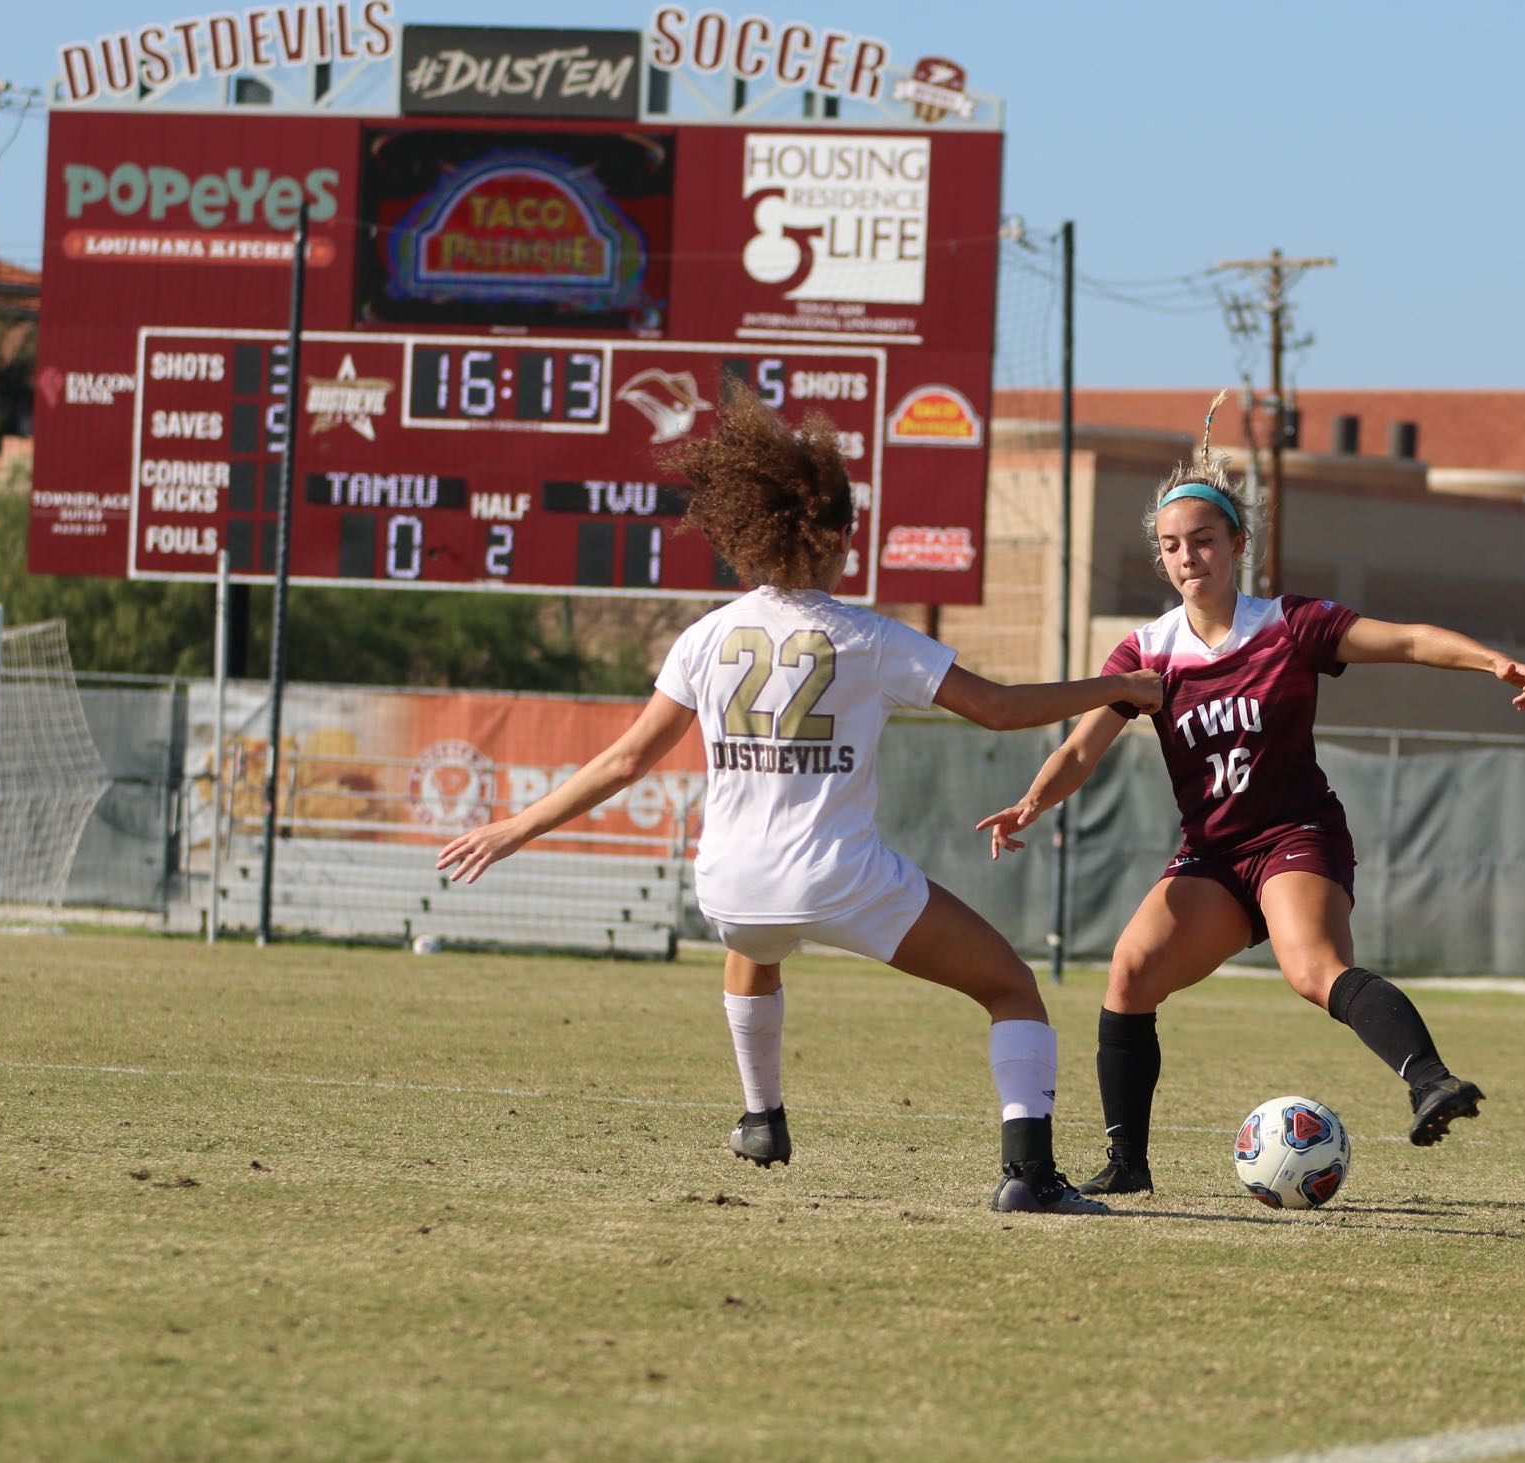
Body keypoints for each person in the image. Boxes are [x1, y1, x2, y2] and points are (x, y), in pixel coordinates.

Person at [437, 384, 1162, 1214]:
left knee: (756, 941)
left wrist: (518, 826)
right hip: (836, 878)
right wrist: (1122, 686)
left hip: (728, 887)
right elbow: (998, 710)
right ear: (839, 534)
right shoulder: (869, 637)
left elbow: (628, 760)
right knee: (1010, 988)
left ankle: (761, 1116)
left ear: (753, 530)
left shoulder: (704, 636)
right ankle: (1030, 1178)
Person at [976, 392, 1525, 1197]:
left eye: (1203, 540)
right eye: (1172, 546)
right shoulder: (1147, 656)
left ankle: (1431, 1082)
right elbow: (1081, 745)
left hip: (1294, 835)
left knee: (1313, 969)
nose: (1187, 557)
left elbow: (1410, 640)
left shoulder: (1290, 625)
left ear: (1237, 543)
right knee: (1130, 974)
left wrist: (1492, 662)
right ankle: (1127, 1165)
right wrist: (1034, 800)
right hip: (1212, 856)